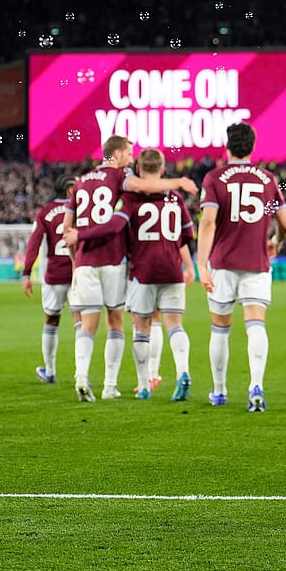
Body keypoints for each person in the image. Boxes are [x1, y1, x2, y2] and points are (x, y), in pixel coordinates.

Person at [64, 135, 196, 402]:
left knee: (89, 324)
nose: (130, 158)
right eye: (128, 153)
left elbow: (68, 227)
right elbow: (182, 233)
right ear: (116, 154)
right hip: (116, 261)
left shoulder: (81, 182)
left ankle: (82, 376)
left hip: (89, 262)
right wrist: (178, 183)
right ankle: (111, 386)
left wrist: (75, 256)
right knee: (119, 323)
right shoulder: (121, 180)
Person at [196, 122, 286, 412]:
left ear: (228, 147)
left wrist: (202, 263)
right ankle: (256, 387)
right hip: (256, 262)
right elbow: (285, 223)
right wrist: (276, 240)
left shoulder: (214, 178)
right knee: (256, 324)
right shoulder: (268, 179)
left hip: (223, 263)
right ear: (252, 147)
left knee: (220, 329)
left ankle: (220, 391)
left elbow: (209, 221)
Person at [21, 174, 82, 384]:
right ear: (69, 191)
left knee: (52, 320)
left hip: (55, 276)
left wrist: (27, 273)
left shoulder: (45, 212)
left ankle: (50, 371)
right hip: (79, 274)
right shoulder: (83, 210)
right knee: (81, 323)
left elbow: (34, 244)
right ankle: (80, 374)